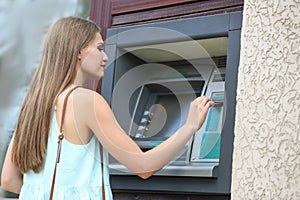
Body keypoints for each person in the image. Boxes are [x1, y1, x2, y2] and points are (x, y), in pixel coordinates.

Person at [1, 17, 214, 199]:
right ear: (78, 52)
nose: (105, 57)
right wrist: (190, 126)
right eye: (99, 48)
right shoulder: (86, 101)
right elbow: (143, 166)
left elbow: (9, 180)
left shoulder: (33, 106)